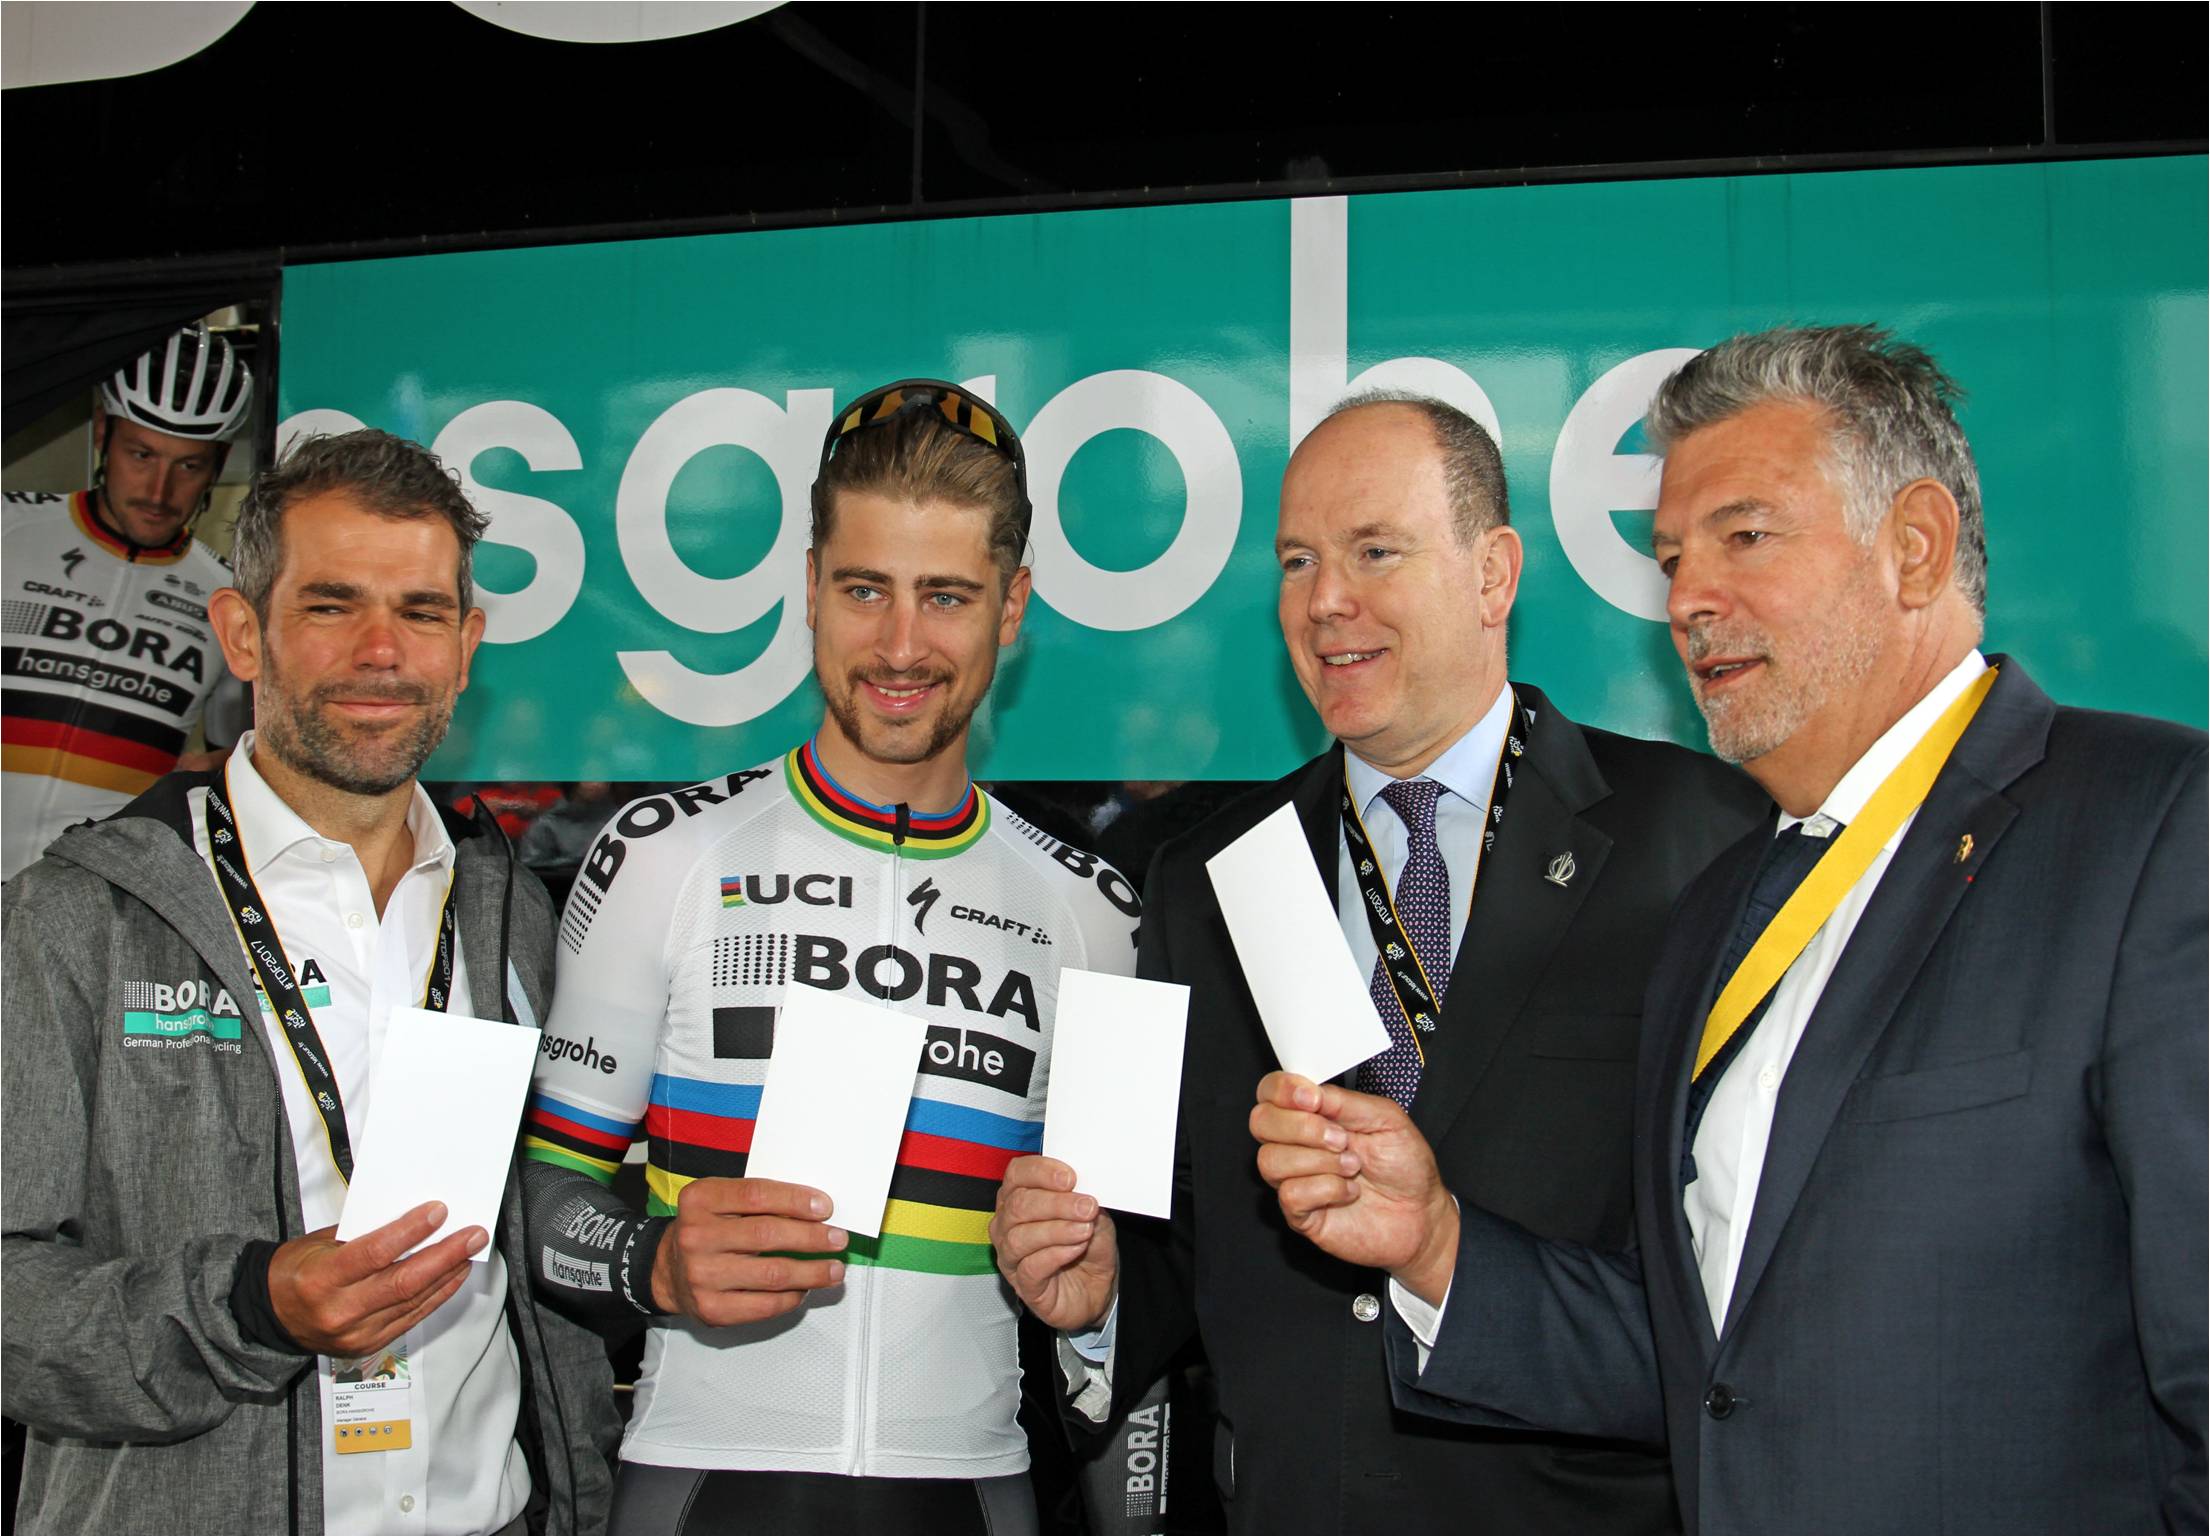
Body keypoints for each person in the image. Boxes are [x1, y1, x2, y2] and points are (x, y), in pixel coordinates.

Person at [1249, 326, 2208, 1532]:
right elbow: (1704, 1368)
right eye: (1669, 557)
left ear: (1913, 546)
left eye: (1742, 536)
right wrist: (1434, 1244)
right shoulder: (1719, 907)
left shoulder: (2151, 827)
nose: (1686, 598)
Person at [990, 392, 1769, 1531]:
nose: (1324, 601)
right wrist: (1099, 1296)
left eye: (1373, 551)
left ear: (1493, 574)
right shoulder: (1202, 879)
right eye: (1297, 561)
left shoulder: (1699, 839)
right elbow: (1171, 1226)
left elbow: (1750, 1282)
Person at [519, 379, 1142, 1534]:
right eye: (864, 589)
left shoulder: (1095, 913)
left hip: (974, 1487)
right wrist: (652, 1261)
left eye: (945, 596)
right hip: (701, 1481)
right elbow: (538, 1198)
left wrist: (1097, 1306)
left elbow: (1130, 1279)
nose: (900, 646)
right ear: (809, 587)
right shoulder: (662, 856)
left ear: (1010, 607)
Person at [2, 429, 618, 1533]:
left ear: (466, 646)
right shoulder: (80, 914)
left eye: (421, 612)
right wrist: (250, 1306)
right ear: (244, 633)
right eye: (332, 605)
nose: (381, 651)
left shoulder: (510, 913)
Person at [3, 322, 254, 879]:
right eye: (141, 454)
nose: (159, 491)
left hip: (90, 895)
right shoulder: (9, 528)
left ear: (216, 466)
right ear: (102, 433)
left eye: (188, 465)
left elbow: (236, 759)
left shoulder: (229, 598)